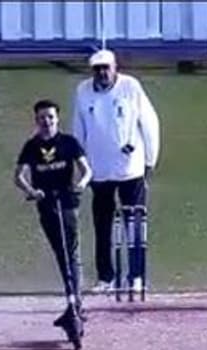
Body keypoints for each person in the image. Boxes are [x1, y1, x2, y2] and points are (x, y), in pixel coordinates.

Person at [71, 49, 160, 296]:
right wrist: (81, 166)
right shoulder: (82, 91)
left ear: (114, 67)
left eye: (105, 68)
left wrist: (150, 160)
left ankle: (136, 276)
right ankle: (106, 277)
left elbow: (150, 123)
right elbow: (78, 129)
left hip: (130, 168)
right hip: (98, 170)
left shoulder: (131, 87)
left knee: (134, 225)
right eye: (97, 69)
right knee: (103, 226)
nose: (101, 73)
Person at [14, 98, 93, 346]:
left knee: (72, 253)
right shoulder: (31, 146)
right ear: (36, 121)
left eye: (50, 117)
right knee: (61, 253)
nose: (46, 122)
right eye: (41, 118)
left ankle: (75, 303)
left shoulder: (68, 143)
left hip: (68, 203)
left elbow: (86, 170)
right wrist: (32, 190)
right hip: (46, 204)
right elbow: (18, 176)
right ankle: (73, 301)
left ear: (57, 119)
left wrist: (80, 183)